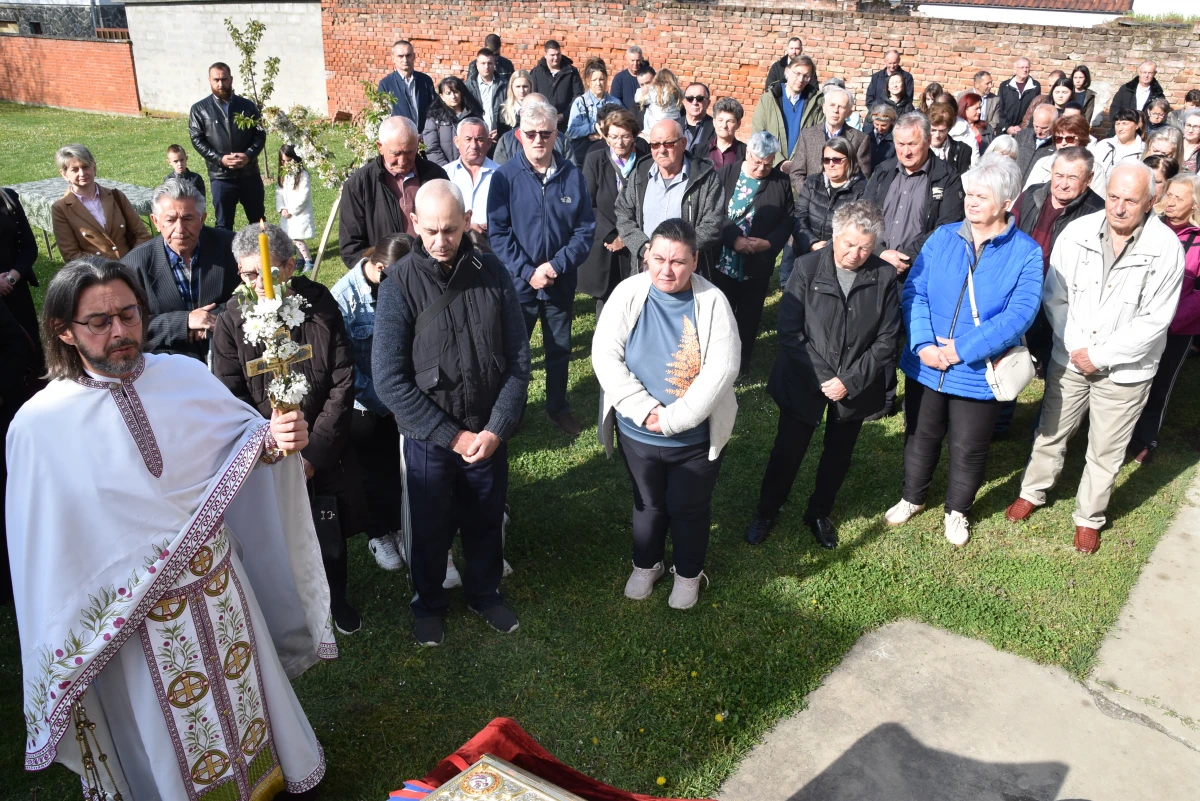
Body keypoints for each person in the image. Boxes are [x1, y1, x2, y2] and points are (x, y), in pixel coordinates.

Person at [8, 258, 332, 799]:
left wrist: (277, 439)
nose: (119, 332)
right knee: (167, 741)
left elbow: (242, 446)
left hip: (219, 592)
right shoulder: (40, 427)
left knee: (247, 702)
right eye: (99, 322)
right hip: (133, 627)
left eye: (129, 314)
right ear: (63, 331)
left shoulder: (181, 375)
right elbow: (43, 553)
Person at [373, 179, 531, 645]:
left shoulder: (494, 272)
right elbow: (389, 380)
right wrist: (451, 436)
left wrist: (496, 429)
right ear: (415, 224)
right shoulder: (399, 286)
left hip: (486, 431)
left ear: (466, 222)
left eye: (451, 230)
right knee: (428, 527)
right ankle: (428, 602)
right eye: (431, 231)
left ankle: (485, 594)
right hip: (430, 438)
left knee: (485, 517)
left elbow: (519, 361)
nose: (441, 242)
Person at [1005, 163, 1184, 554]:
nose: (1118, 208)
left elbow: (1155, 321)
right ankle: (1033, 491)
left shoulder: (1166, 248)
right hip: (1071, 356)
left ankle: (1089, 518)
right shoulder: (1079, 232)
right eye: (1114, 197)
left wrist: (1100, 355)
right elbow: (1056, 294)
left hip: (1125, 370)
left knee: (1105, 449)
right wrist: (1077, 347)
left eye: (1130, 200)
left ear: (1151, 202)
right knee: (1051, 431)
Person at [211, 222, 365, 634]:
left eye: (268, 271)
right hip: (267, 452)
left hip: (321, 448)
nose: (259, 282)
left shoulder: (318, 305)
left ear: (291, 265)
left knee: (327, 529)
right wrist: (271, 445)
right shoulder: (231, 320)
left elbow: (341, 378)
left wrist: (314, 452)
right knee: (277, 537)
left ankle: (337, 600)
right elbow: (229, 394)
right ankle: (287, 610)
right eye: (248, 274)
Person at [884, 155, 1042, 546]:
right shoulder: (942, 237)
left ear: (1007, 203)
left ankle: (957, 510)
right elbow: (915, 291)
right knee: (920, 434)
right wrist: (922, 344)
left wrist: (961, 351)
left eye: (981, 197)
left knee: (969, 446)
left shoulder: (1026, 253)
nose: (971, 202)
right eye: (969, 194)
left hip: (977, 369)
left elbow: (1019, 315)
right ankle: (912, 496)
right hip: (927, 363)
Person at [592, 218, 739, 609]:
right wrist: (644, 410)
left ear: (694, 261)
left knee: (688, 508)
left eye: (677, 261)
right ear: (646, 257)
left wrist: (673, 420)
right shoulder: (628, 293)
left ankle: (688, 573)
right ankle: (647, 564)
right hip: (637, 434)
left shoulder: (713, 302)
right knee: (647, 503)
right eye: (658, 258)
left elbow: (723, 368)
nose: (666, 269)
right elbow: (605, 354)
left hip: (693, 439)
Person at [745, 201, 900, 548]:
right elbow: (789, 332)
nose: (855, 254)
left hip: (854, 386)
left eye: (865, 247)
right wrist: (825, 376)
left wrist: (850, 381)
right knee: (787, 450)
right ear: (835, 235)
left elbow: (887, 339)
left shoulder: (884, 276)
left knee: (838, 454)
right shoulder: (806, 267)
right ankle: (767, 510)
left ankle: (819, 511)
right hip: (805, 378)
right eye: (849, 244)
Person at [487, 99, 596, 436]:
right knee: (516, 355)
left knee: (559, 350)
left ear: (555, 134)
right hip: (520, 287)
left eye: (545, 134)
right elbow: (498, 232)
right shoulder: (504, 178)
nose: (538, 140)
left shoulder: (572, 177)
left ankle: (557, 407)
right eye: (531, 133)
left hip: (559, 284)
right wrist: (528, 271)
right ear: (519, 135)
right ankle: (512, 410)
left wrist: (555, 266)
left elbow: (584, 230)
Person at [332, 233, 412, 571]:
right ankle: (378, 533)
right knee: (371, 470)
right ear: (379, 268)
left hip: (400, 397)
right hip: (365, 403)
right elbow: (345, 367)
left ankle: (399, 525)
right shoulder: (343, 300)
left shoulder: (397, 281)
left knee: (397, 464)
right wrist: (387, 402)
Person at [121, 178, 239, 361]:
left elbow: (254, 294)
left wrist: (212, 318)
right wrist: (184, 322)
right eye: (170, 220)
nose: (180, 229)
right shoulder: (134, 264)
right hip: (167, 363)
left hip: (229, 353)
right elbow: (126, 323)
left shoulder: (231, 247)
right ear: (156, 222)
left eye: (188, 218)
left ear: (202, 219)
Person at [1128, 173, 1200, 463]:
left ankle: (1146, 438)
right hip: (1137, 319)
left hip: (1177, 328)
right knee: (1130, 379)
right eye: (1168, 194)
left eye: (1178, 198)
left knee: (1161, 383)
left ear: (1194, 204)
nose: (1169, 202)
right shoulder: (1148, 227)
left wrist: (1169, 321)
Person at [1011, 146, 1105, 367]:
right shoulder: (1031, 195)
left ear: (1089, 179)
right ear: (1051, 171)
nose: (1063, 184)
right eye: (1059, 175)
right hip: (1023, 283)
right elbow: (1009, 231)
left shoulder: (1098, 212)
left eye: (1072, 177)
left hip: (1064, 293)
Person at [712, 131, 794, 375]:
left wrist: (767, 244)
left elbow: (788, 219)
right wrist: (733, 238)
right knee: (721, 313)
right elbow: (713, 212)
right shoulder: (726, 174)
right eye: (758, 162)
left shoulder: (780, 182)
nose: (762, 168)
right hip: (724, 260)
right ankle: (716, 360)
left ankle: (741, 363)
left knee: (749, 317)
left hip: (757, 263)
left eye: (768, 163)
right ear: (748, 153)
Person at [614, 119, 725, 276]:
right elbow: (623, 213)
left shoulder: (705, 178)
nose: (661, 150)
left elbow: (713, 224)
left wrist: (679, 252)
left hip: (687, 272)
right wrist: (642, 248)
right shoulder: (640, 173)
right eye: (655, 145)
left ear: (683, 143)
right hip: (645, 268)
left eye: (668, 144)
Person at [338, 115, 448, 268]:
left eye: (409, 152)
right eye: (396, 153)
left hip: (431, 269)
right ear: (380, 146)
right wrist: (377, 271)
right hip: (384, 275)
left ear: (418, 143)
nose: (402, 161)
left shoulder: (436, 177)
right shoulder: (359, 185)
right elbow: (351, 247)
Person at [188, 62, 267, 230]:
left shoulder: (248, 106)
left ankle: (263, 255)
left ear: (231, 79)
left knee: (258, 221)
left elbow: (260, 134)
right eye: (216, 80)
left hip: (249, 174)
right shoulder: (199, 109)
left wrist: (248, 156)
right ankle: (225, 256)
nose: (220, 84)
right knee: (223, 225)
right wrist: (220, 159)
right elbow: (197, 139)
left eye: (224, 79)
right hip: (221, 177)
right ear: (209, 80)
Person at [581, 108, 644, 315]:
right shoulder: (594, 160)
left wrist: (628, 236)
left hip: (637, 241)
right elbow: (587, 203)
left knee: (635, 299)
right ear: (606, 137)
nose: (619, 142)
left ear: (634, 135)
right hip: (606, 242)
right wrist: (611, 234)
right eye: (614, 136)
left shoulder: (646, 162)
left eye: (625, 136)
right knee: (607, 302)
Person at [50, 144, 150, 262]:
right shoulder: (61, 209)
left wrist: (133, 262)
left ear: (94, 167)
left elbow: (142, 235)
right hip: (98, 276)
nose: (82, 173)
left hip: (132, 267)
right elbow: (71, 255)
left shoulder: (116, 196)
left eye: (86, 167)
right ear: (64, 174)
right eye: (75, 169)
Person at [793, 136, 868, 259]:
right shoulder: (812, 182)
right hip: (806, 253)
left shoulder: (861, 190)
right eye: (826, 160)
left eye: (837, 160)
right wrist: (811, 243)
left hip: (840, 258)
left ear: (850, 160)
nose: (831, 164)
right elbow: (799, 217)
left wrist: (828, 247)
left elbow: (856, 229)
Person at [787, 86, 872, 186]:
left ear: (849, 113)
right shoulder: (807, 135)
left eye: (841, 107)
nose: (835, 110)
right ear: (824, 108)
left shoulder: (860, 139)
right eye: (832, 105)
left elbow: (863, 178)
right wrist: (808, 196)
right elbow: (797, 173)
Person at [751, 56, 824, 170]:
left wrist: (799, 165)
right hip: (771, 169)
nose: (801, 79)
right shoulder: (768, 100)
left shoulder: (816, 104)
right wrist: (780, 162)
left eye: (806, 76)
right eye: (797, 73)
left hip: (802, 171)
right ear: (787, 72)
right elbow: (758, 134)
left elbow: (819, 138)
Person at [0, 188, 41, 371]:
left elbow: (29, 247)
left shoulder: (8, 197)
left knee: (31, 347)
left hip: (15, 287)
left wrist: (10, 280)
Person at [446, 117, 500, 235]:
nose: (473, 145)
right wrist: (466, 227)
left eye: (479, 139)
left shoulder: (502, 174)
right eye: (468, 139)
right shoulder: (445, 174)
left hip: (493, 243)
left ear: (489, 143)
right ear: (456, 142)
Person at [492, 91, 570, 165]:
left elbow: (571, 172)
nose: (538, 140)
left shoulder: (561, 139)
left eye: (542, 109)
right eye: (532, 111)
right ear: (521, 113)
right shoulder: (506, 141)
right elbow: (500, 173)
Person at [567, 59, 620, 165]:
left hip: (610, 157)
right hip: (585, 156)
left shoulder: (615, 103)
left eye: (601, 79)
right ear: (587, 81)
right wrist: (592, 128)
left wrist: (603, 136)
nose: (598, 83)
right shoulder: (580, 103)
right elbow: (572, 131)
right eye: (594, 80)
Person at [423, 76, 485, 166]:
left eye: (456, 92)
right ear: (442, 96)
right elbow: (432, 148)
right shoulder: (435, 118)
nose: (453, 96)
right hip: (444, 169)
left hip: (472, 167)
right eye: (448, 93)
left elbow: (481, 142)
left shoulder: (473, 114)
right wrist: (445, 169)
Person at [1022, 113, 1092, 190]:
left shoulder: (1093, 168)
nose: (1063, 143)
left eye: (1070, 139)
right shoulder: (1042, 163)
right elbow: (1026, 194)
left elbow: (1094, 200)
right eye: (1059, 139)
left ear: (1081, 140)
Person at [379, 40, 435, 131]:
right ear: (393, 58)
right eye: (400, 56)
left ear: (414, 56)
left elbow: (434, 110)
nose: (405, 60)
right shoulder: (386, 84)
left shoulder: (425, 81)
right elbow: (382, 116)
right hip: (400, 138)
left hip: (424, 137)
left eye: (408, 55)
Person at [275, 143, 315, 269]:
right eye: (283, 161)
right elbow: (279, 193)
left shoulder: (302, 175)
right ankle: (300, 259)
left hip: (298, 214)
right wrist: (282, 208)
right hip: (287, 214)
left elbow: (304, 195)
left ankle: (308, 260)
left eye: (289, 160)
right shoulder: (284, 175)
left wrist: (292, 210)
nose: (286, 164)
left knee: (297, 238)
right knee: (292, 237)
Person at [530, 40, 584, 132]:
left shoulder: (571, 72)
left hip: (566, 125)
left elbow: (578, 96)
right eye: (552, 55)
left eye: (558, 54)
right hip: (542, 124)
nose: (556, 58)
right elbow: (532, 97)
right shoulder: (536, 73)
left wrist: (565, 114)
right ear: (545, 54)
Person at [1089, 108, 1145, 195]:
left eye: (1125, 124)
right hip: (1096, 195)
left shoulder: (1143, 150)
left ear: (1137, 125)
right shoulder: (1103, 145)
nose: (1120, 128)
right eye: (1117, 124)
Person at [466, 48, 508, 146]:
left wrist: (500, 131)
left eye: (489, 63)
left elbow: (508, 112)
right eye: (483, 63)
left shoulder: (505, 85)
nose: (486, 67)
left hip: (498, 140)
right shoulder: (468, 87)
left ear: (494, 64)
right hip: (476, 139)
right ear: (477, 64)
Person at [1108, 60, 1165, 127]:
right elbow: (1114, 110)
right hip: (1124, 129)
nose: (1146, 75)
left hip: (1146, 132)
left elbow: (1160, 116)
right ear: (1139, 72)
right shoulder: (1125, 89)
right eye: (1144, 72)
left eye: (1150, 73)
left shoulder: (1158, 95)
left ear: (1155, 73)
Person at [1015, 104, 1060, 183]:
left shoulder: (1058, 144)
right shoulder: (1023, 135)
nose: (1039, 131)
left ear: (1055, 124)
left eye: (1044, 128)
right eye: (1036, 126)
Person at [999, 57, 1042, 135]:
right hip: (1004, 131)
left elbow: (1034, 110)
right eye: (1022, 67)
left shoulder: (1035, 86)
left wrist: (1022, 127)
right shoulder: (1005, 86)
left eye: (1027, 67)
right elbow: (1000, 108)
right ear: (1015, 69)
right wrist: (1007, 127)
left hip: (1024, 131)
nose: (1025, 70)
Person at [700, 97, 747, 169]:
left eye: (729, 121)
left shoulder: (745, 152)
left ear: (738, 124)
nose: (724, 126)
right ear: (714, 122)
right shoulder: (700, 149)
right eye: (720, 120)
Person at [928, 103, 974, 174]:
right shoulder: (918, 149)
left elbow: (963, 180)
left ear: (948, 129)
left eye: (941, 131)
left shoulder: (963, 150)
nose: (937, 135)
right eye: (933, 130)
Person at [641, 68, 684, 132]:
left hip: (654, 125)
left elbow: (640, 99)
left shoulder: (652, 91)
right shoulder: (677, 91)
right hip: (673, 123)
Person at [682, 82, 714, 154]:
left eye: (700, 98)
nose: (695, 102)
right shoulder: (674, 125)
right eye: (690, 98)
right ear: (684, 102)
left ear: (708, 103)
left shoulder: (716, 128)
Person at [958, 93, 993, 157]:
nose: (979, 111)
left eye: (980, 108)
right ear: (965, 108)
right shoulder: (955, 128)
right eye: (976, 109)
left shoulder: (987, 128)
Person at [611, 45, 645, 111]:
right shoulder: (619, 79)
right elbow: (616, 101)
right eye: (632, 60)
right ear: (627, 60)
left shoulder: (647, 78)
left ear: (641, 60)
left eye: (638, 60)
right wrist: (629, 115)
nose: (635, 63)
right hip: (625, 118)